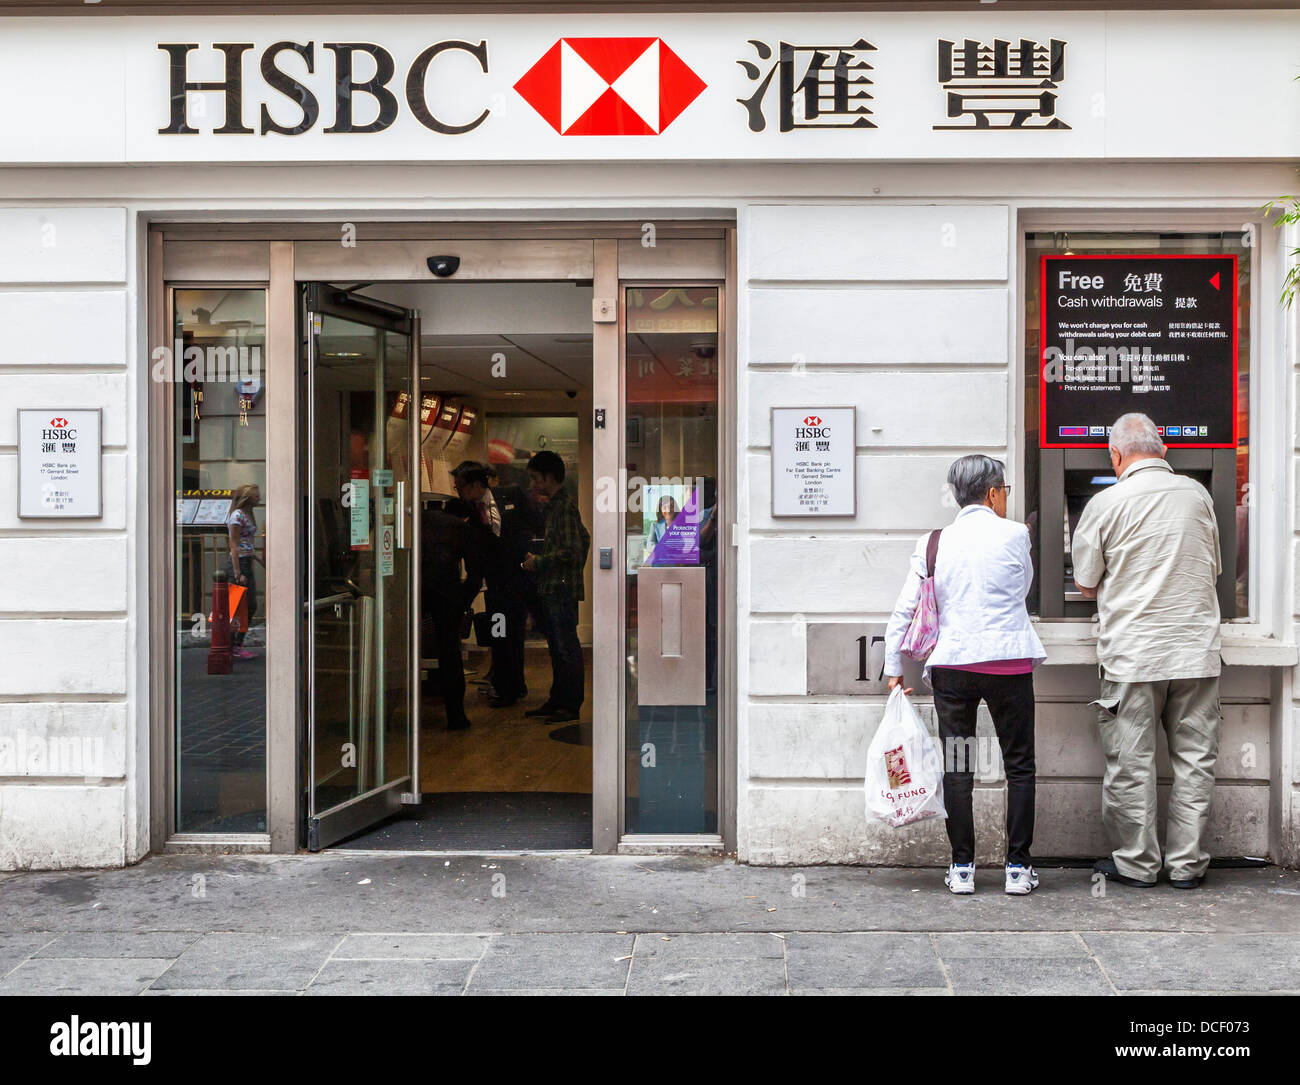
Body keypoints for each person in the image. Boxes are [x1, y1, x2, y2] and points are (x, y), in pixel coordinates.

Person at [1072, 413, 1223, 890]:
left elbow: (1084, 581)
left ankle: (1137, 865)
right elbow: (1214, 568)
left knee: (1131, 764)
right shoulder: (1198, 496)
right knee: (1195, 761)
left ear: (1114, 455)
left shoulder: (1106, 502)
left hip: (1133, 656)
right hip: (1195, 652)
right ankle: (1186, 866)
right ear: (1164, 451)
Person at [884, 455, 1046, 896]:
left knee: (958, 766)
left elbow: (905, 605)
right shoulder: (1016, 535)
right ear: (993, 493)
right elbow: (1024, 587)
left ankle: (961, 869)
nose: (1006, 498)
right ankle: (1017, 869)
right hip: (1008, 663)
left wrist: (894, 667)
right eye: (1005, 491)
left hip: (953, 667)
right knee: (1020, 765)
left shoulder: (934, 542)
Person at [453, 460, 530, 708]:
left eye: (461, 487)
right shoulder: (470, 516)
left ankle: (515, 685)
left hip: (517, 581)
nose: (459, 493)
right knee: (500, 636)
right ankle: (505, 687)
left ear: (476, 485)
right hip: (495, 587)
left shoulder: (511, 495)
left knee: (515, 636)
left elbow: (528, 526)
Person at [521, 450, 589, 724]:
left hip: (560, 589)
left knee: (565, 648)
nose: (534, 484)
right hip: (557, 587)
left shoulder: (563, 508)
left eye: (536, 478)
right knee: (558, 647)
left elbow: (572, 550)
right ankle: (558, 699)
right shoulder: (558, 507)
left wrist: (538, 561)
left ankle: (569, 704)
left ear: (549, 477)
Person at [421, 498, 479, 731]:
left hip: (412, 589)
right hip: (446, 592)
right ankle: (456, 715)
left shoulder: (415, 520)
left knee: (401, 648)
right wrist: (463, 600)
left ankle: (391, 711)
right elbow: (476, 572)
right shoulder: (461, 527)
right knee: (449, 652)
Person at [225, 483, 263, 660]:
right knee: (238, 607)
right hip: (238, 564)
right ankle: (232, 645)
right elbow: (234, 545)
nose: (259, 498)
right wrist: (238, 572)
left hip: (246, 561)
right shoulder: (237, 516)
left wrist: (257, 559)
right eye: (256, 496)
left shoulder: (248, 514)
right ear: (247, 498)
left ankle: (235, 644)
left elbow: (246, 544)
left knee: (249, 605)